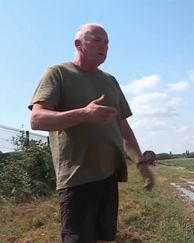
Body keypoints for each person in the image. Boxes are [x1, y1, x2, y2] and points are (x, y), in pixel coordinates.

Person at [29, 23, 154, 243]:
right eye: (96, 40)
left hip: (108, 176)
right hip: (76, 178)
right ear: (78, 44)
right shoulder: (57, 73)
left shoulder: (110, 81)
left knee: (105, 238)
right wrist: (84, 114)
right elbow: (37, 119)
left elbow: (124, 128)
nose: (104, 46)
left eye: (106, 42)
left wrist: (141, 164)